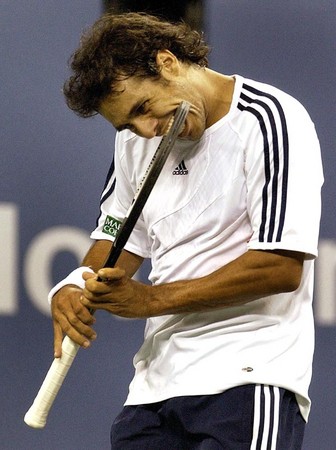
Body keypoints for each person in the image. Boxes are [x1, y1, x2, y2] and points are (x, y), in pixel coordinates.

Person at [50, 12, 323, 449]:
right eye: (127, 124)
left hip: (248, 379)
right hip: (154, 390)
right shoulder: (136, 143)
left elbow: (280, 267)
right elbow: (117, 239)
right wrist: (72, 285)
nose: (145, 129)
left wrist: (150, 299)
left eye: (143, 108)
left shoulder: (272, 119)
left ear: (168, 62)